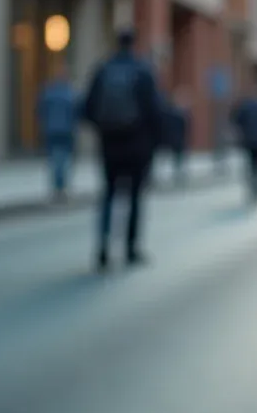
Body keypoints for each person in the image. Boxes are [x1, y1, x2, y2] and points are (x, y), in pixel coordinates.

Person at [82, 28, 163, 269]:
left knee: (108, 193)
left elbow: (88, 108)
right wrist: (153, 143)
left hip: (110, 143)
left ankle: (103, 248)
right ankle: (130, 248)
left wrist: (103, 129)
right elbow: (155, 112)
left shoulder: (103, 69)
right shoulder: (143, 71)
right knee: (135, 196)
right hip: (137, 144)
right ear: (134, 43)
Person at [37, 61, 78, 201]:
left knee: (55, 159)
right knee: (63, 160)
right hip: (64, 131)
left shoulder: (50, 92)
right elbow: (76, 112)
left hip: (52, 130)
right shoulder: (70, 93)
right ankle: (60, 187)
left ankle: (57, 187)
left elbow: (41, 110)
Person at [162, 91, 190, 187]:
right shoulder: (179, 115)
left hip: (176, 139)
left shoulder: (177, 114)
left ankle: (177, 174)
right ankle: (177, 174)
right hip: (176, 139)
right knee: (176, 158)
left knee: (178, 158)